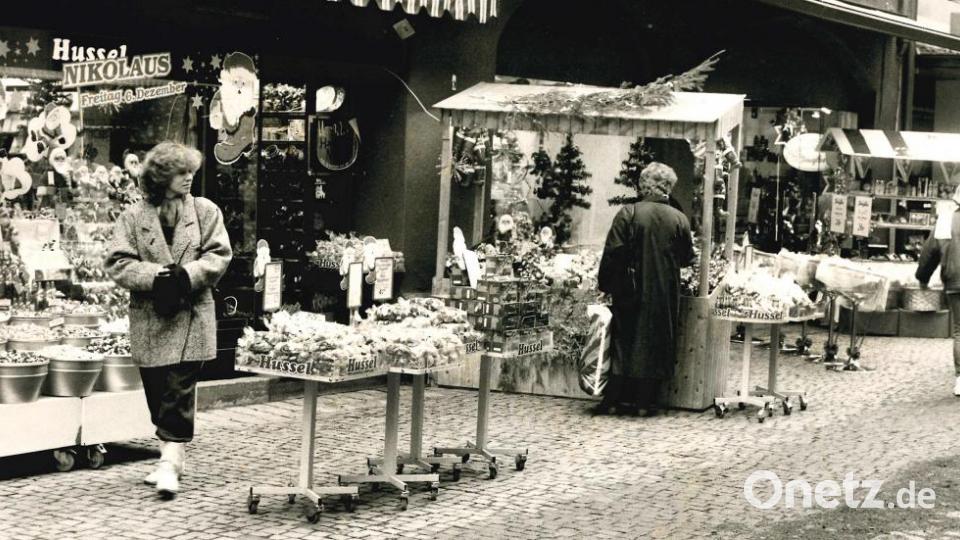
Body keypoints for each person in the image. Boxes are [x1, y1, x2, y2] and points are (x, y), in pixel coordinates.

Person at [105, 141, 232, 498]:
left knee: (178, 388)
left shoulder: (206, 211)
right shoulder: (133, 217)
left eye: (191, 170)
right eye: (181, 172)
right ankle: (171, 455)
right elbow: (118, 261)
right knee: (158, 391)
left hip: (192, 316)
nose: (189, 177)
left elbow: (220, 254)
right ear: (161, 176)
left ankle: (170, 461)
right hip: (150, 318)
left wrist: (187, 275)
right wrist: (155, 275)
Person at [597, 162, 694, 416]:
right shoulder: (679, 218)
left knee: (624, 341)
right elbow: (686, 258)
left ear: (643, 185)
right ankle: (645, 401)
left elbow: (613, 252)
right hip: (665, 291)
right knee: (656, 342)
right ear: (668, 187)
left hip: (630, 290)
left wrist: (606, 284)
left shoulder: (628, 213)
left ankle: (615, 399)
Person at [916, 184, 960, 396]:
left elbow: (929, 253)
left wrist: (923, 278)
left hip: (953, 280)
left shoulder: (945, 221)